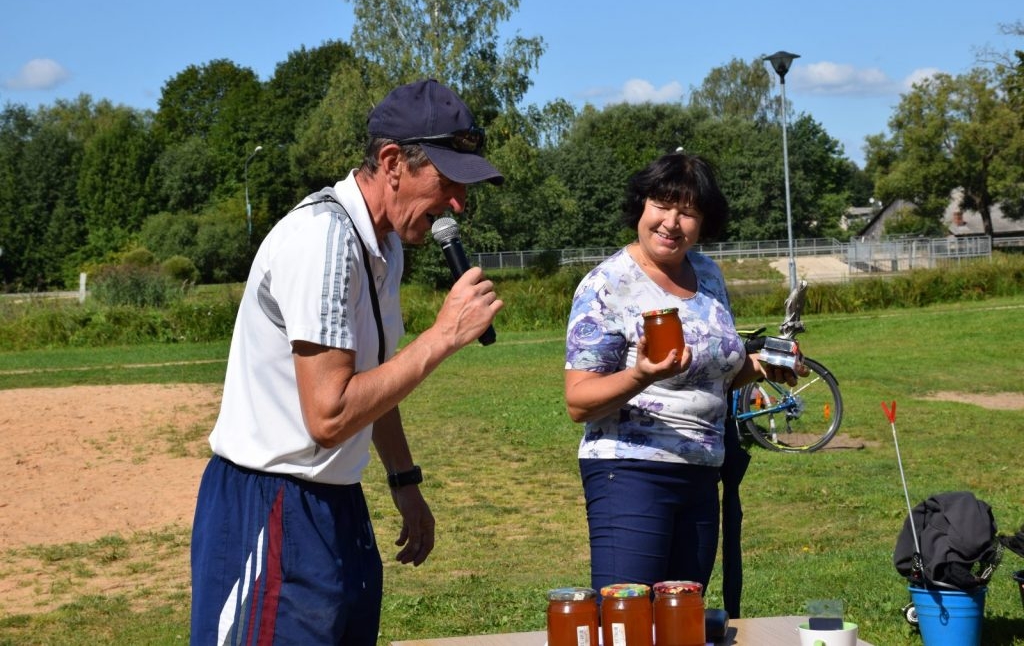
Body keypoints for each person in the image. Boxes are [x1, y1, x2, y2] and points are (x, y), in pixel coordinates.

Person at [190, 79, 504, 645]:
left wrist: (404, 480)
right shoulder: (323, 241)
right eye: (449, 180)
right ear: (392, 163)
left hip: (336, 502)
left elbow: (370, 385)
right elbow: (330, 414)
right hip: (272, 504)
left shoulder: (385, 247)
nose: (458, 202)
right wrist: (442, 336)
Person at [563, 151, 800, 596]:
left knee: (682, 621)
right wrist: (641, 375)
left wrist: (765, 366)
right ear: (641, 206)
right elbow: (579, 401)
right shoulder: (607, 284)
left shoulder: (708, 275)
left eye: (687, 211)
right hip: (630, 470)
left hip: (702, 471)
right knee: (628, 622)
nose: (672, 222)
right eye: (662, 205)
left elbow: (714, 373)